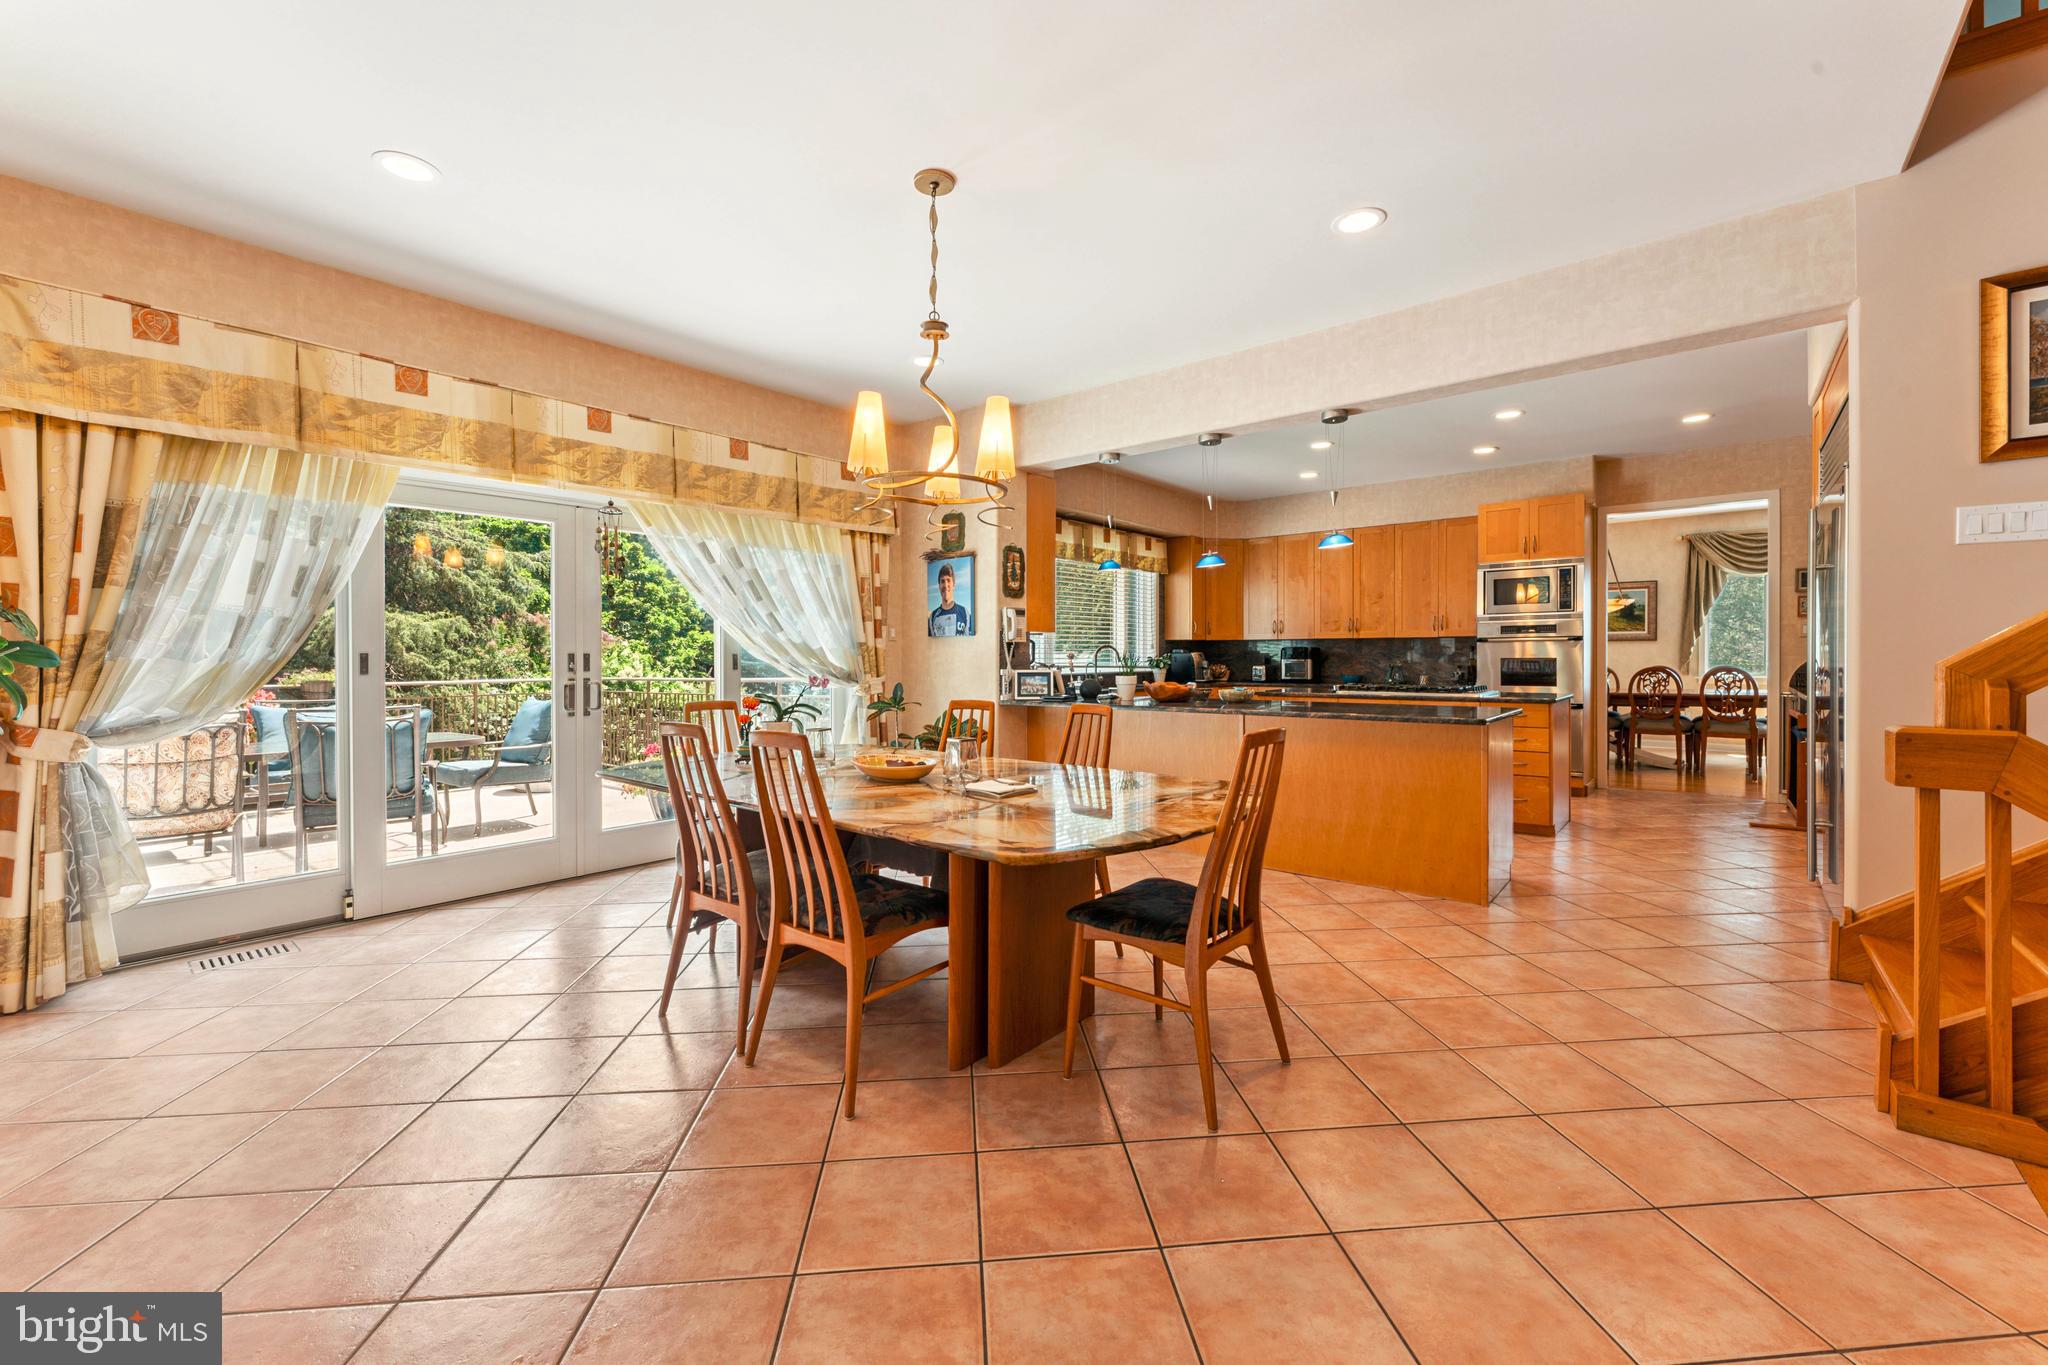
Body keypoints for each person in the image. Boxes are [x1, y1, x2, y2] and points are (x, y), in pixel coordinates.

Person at [929, 561, 971, 637]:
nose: (945, 585)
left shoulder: (965, 613)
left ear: (954, 584)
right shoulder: (932, 617)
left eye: (948, 580)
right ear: (939, 586)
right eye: (942, 581)